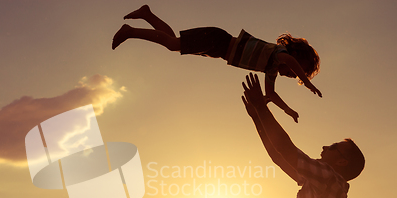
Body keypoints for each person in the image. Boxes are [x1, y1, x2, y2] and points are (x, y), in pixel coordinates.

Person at [112, 5, 322, 122]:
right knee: (173, 44)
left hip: (216, 50)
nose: (294, 76)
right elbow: (289, 61)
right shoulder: (279, 53)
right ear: (297, 56)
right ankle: (129, 31)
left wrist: (288, 110)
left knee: (173, 43)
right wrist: (309, 84)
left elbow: (272, 94)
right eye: (297, 72)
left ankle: (147, 14)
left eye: (296, 76)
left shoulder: (271, 68)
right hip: (218, 40)